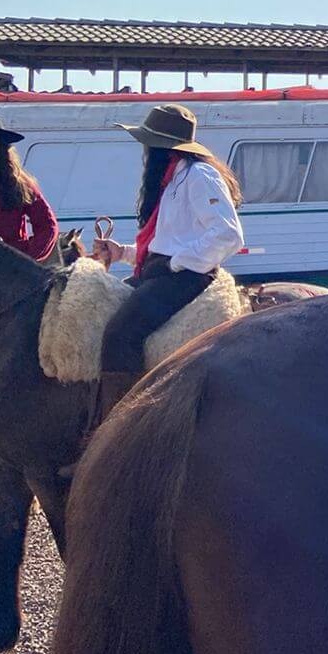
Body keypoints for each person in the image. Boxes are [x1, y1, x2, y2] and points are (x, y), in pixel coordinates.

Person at [90, 104, 245, 424]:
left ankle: (120, 428)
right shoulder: (172, 178)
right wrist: (122, 253)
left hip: (184, 277)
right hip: (162, 271)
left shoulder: (199, 175)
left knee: (121, 334)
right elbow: (168, 242)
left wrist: (177, 263)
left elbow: (228, 235)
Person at [0, 115, 57, 261]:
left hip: (9, 272)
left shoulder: (20, 184)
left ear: (1, 146)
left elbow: (47, 225)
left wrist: (24, 259)